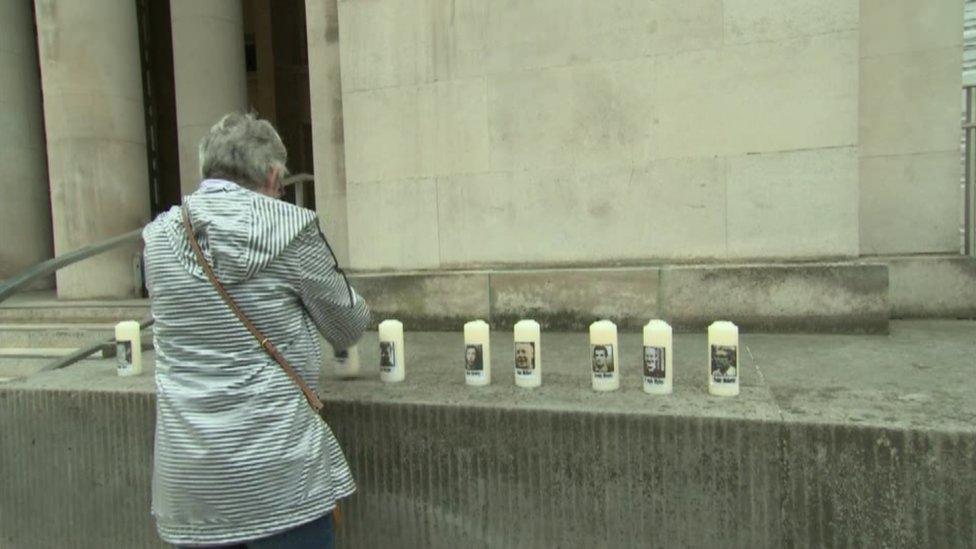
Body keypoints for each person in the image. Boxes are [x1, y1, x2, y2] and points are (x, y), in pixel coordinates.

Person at [142, 112, 371, 548]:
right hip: (278, 477)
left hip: (189, 481)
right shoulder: (289, 226)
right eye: (281, 183)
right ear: (270, 174)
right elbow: (346, 326)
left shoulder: (157, 239)